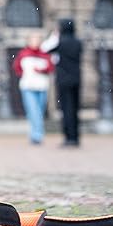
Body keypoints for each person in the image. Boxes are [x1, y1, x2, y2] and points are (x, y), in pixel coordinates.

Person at [43, 19, 83, 147]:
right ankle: (75, 137)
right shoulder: (77, 42)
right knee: (75, 108)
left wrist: (54, 36)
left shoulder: (60, 42)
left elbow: (45, 49)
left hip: (64, 80)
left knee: (66, 109)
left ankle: (68, 137)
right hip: (76, 79)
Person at [11, 34, 54, 144]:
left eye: (37, 40)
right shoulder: (23, 54)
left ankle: (35, 133)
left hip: (41, 86)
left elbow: (50, 68)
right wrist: (25, 75)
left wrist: (41, 70)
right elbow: (17, 67)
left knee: (39, 111)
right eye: (33, 40)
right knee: (33, 110)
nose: (35, 42)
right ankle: (37, 135)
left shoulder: (44, 54)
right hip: (28, 86)